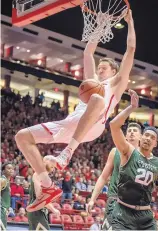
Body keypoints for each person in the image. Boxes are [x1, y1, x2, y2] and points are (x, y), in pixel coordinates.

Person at [15, 10, 136, 212]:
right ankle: (47, 186)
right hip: (71, 123)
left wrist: (130, 23)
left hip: (93, 126)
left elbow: (130, 50)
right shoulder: (93, 82)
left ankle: (67, 152)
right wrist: (99, 26)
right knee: (22, 137)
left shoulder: (116, 84)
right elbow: (88, 52)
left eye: (103, 68)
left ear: (114, 71)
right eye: (99, 68)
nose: (99, 71)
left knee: (97, 98)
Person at [108, 90, 158, 230]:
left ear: (156, 144)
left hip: (145, 215)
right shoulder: (128, 151)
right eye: (146, 135)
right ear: (141, 137)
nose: (148, 138)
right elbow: (114, 125)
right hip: (123, 211)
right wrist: (131, 107)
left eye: (152, 137)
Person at [87, 90, 141, 230]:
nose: (131, 132)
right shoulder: (114, 151)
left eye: (135, 131)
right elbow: (103, 177)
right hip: (114, 202)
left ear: (141, 137)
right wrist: (92, 199)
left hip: (133, 206)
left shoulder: (145, 158)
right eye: (129, 130)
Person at [27, 157, 61, 229]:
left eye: (53, 164)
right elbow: (41, 198)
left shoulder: (45, 177)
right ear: (44, 163)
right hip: (36, 211)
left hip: (40, 211)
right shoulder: (38, 175)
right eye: (51, 162)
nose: (53, 165)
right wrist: (53, 209)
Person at [0, 163, 14, 229]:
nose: (11, 170)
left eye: (12, 169)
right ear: (3, 170)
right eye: (8, 168)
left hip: (5, 210)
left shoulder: (7, 181)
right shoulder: (2, 180)